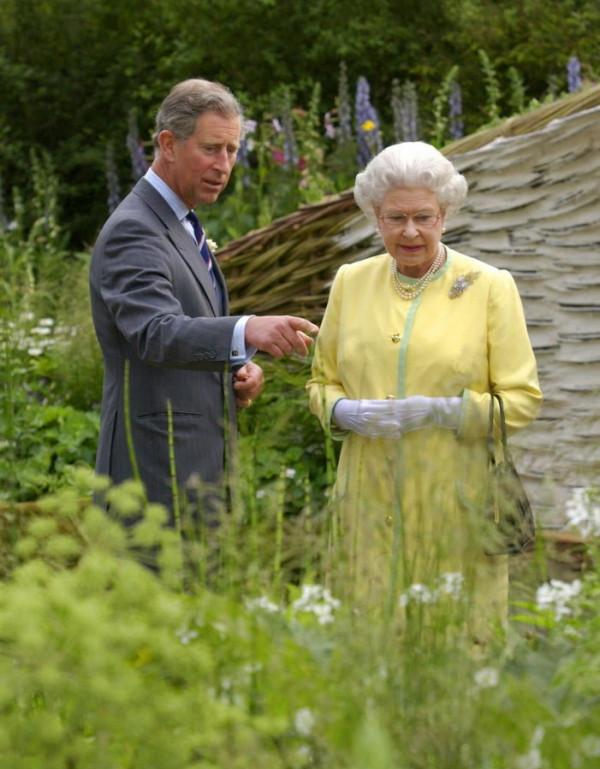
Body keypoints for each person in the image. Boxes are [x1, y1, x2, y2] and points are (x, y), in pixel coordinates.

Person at [307, 141, 542, 642]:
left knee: (454, 650)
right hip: (367, 501)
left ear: (445, 214)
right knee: (370, 647)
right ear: (375, 216)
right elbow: (320, 382)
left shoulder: (489, 286)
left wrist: (442, 411)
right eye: (395, 218)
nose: (410, 231)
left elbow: (522, 400)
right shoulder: (351, 282)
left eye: (423, 217)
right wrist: (345, 412)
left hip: (456, 505)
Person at [90, 78, 318, 521]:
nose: (224, 164)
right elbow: (154, 333)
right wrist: (246, 328)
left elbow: (187, 332)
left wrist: (235, 368)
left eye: (232, 151)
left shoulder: (182, 224)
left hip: (196, 472)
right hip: (153, 479)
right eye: (212, 149)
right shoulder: (134, 228)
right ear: (169, 144)